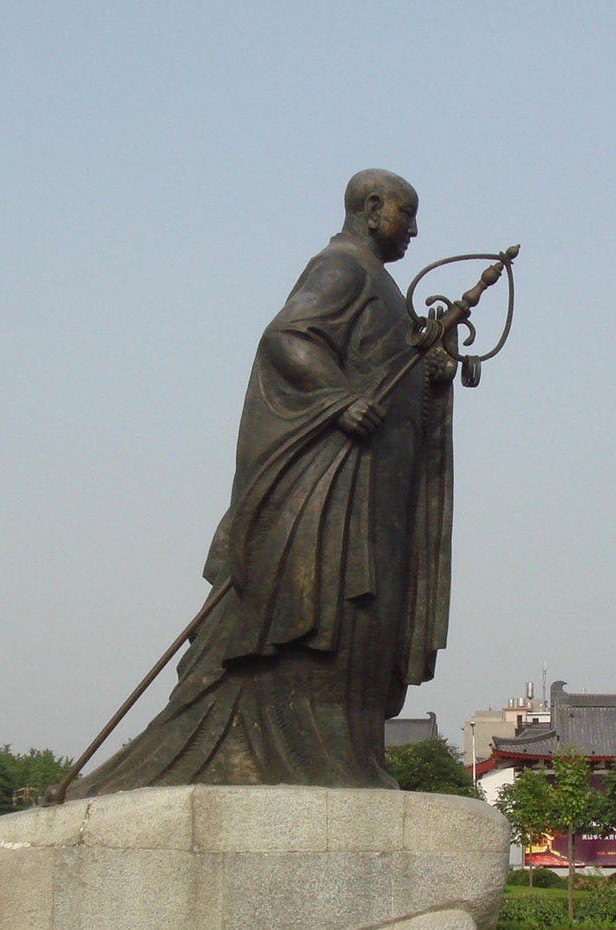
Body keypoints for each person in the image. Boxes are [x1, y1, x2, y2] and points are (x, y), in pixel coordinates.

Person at [66, 169, 454, 795]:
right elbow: (287, 338)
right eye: (406, 214)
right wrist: (336, 400)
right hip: (334, 497)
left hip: (373, 495)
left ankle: (350, 759)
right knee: (327, 620)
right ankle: (314, 759)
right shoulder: (342, 268)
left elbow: (389, 370)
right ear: (372, 207)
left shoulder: (383, 286)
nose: (413, 229)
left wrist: (429, 370)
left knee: (367, 625)